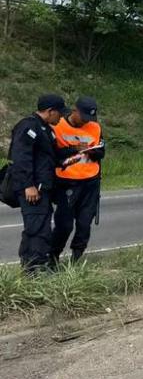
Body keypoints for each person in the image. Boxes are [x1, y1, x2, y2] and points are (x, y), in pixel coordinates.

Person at [8, 94, 69, 274]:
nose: (61, 117)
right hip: (32, 189)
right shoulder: (28, 126)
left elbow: (49, 156)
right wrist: (28, 185)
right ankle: (35, 270)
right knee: (38, 230)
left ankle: (30, 268)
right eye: (59, 113)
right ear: (50, 111)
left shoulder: (45, 129)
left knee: (39, 226)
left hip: (44, 189)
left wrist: (69, 157)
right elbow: (21, 158)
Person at [52, 96, 105, 263]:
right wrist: (74, 148)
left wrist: (91, 151)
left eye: (90, 119)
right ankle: (52, 257)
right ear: (74, 111)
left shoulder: (95, 127)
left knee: (84, 224)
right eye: (83, 118)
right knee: (65, 224)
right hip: (66, 181)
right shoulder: (57, 125)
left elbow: (101, 152)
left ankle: (76, 258)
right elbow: (51, 153)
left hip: (90, 181)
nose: (86, 122)